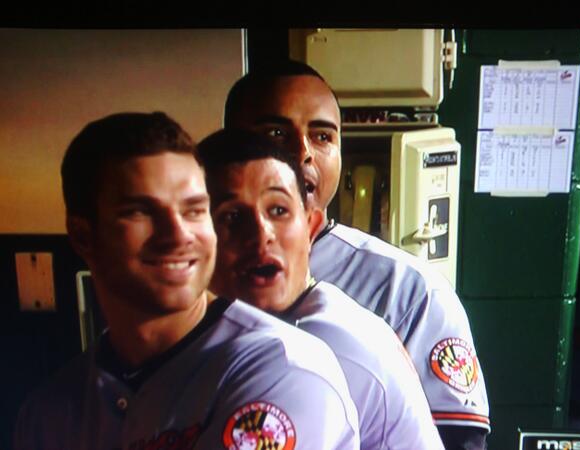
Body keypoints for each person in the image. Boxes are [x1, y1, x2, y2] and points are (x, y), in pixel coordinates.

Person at [14, 112, 360, 450]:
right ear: (83, 236)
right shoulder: (49, 411)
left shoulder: (281, 370)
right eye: (140, 212)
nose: (178, 236)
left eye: (194, 210)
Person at [223, 60, 491, 449]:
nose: (303, 153)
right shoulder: (194, 278)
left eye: (322, 137)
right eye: (276, 132)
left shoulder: (409, 290)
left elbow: (459, 442)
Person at [198, 128, 445, 450]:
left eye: (278, 211)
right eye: (232, 216)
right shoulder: (282, 320)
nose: (260, 235)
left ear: (312, 228)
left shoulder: (312, 349)